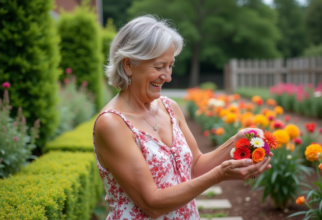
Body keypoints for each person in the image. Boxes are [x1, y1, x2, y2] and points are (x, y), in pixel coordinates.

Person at [93, 15, 272, 220]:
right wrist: (219, 175)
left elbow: (195, 167)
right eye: (159, 67)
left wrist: (237, 140)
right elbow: (152, 204)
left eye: (170, 66)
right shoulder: (112, 123)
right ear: (128, 65)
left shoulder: (170, 108)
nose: (167, 76)